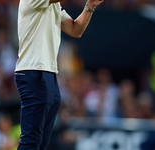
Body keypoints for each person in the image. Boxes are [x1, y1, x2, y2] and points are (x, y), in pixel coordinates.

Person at [14, 0, 104, 149]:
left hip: (48, 74)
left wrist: (90, 6)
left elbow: (76, 30)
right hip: (33, 72)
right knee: (31, 141)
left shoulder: (54, 5)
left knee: (41, 142)